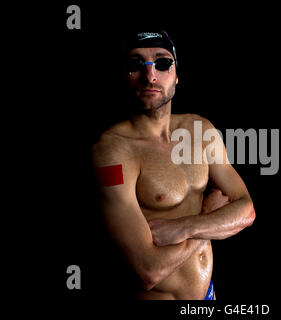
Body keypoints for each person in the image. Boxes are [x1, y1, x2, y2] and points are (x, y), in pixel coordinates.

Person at [92, 30, 255, 300]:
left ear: (177, 75)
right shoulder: (110, 154)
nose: (150, 75)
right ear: (124, 75)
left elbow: (247, 211)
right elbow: (148, 271)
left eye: (163, 63)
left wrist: (188, 226)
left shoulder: (200, 129)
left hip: (208, 297)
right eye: (136, 64)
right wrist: (209, 223)